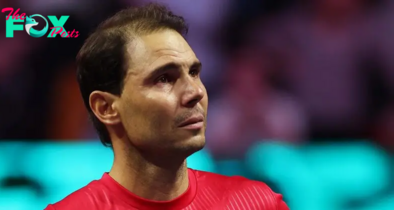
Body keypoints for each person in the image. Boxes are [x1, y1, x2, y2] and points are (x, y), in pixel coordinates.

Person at [45, 3, 289, 210]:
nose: (196, 92)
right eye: (164, 78)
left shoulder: (257, 203)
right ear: (106, 108)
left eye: (194, 73)